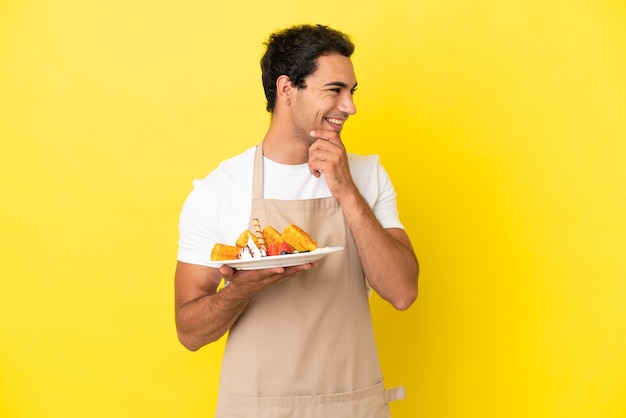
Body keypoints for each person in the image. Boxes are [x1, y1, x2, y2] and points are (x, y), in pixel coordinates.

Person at [174, 24, 419, 418]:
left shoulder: (368, 175)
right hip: (257, 409)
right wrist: (241, 289)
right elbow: (189, 332)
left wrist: (347, 192)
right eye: (334, 90)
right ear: (287, 89)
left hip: (351, 405)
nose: (350, 107)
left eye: (351, 92)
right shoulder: (219, 190)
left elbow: (403, 292)